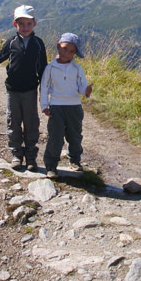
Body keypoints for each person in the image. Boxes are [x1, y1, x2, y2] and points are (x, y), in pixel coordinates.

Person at [0, 5, 47, 171]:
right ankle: (17, 155)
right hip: (13, 91)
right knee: (13, 122)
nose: (25, 27)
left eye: (28, 24)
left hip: (30, 90)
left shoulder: (38, 44)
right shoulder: (11, 42)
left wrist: (45, 92)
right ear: (15, 24)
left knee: (31, 123)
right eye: (21, 24)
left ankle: (31, 157)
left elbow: (43, 69)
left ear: (34, 24)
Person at [40, 32, 93, 179]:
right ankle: (51, 166)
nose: (66, 53)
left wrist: (86, 91)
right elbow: (44, 87)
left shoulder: (77, 69)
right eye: (64, 48)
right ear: (58, 46)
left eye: (71, 51)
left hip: (74, 107)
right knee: (55, 137)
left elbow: (82, 86)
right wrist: (44, 105)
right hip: (56, 106)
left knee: (75, 136)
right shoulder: (50, 68)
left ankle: (75, 160)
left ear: (75, 53)